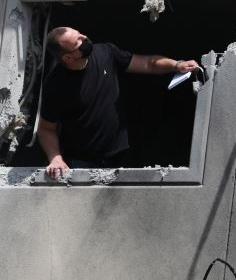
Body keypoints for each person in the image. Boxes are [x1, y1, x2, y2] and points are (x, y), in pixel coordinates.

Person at [38, 26, 199, 178]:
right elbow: (46, 129)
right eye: (78, 41)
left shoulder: (105, 53)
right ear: (68, 57)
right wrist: (56, 158)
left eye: (80, 33)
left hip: (120, 154)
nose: (84, 38)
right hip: (83, 162)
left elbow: (147, 64)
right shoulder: (55, 85)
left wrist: (177, 65)